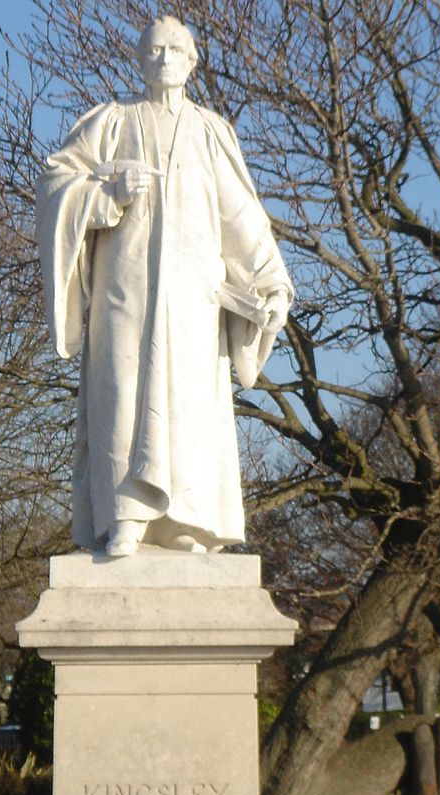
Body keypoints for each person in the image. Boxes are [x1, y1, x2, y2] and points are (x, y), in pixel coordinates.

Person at [36, 16, 293, 556]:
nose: (165, 58)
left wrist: (271, 280)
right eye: (154, 49)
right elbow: (58, 181)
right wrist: (106, 192)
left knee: (189, 404)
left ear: (193, 61)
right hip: (123, 293)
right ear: (139, 58)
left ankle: (183, 520)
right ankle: (125, 517)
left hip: (194, 298)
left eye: (176, 48)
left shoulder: (210, 130)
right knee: (123, 394)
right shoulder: (111, 122)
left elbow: (240, 214)